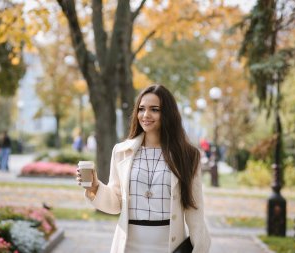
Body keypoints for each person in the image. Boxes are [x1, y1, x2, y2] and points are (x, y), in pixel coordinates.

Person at [76, 84, 210, 253]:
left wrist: (200, 248)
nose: (146, 115)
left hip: (169, 247)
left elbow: (194, 209)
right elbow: (116, 203)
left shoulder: (188, 156)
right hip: (128, 246)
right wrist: (95, 187)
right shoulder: (121, 151)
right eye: (141, 109)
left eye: (154, 109)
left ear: (167, 113)